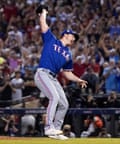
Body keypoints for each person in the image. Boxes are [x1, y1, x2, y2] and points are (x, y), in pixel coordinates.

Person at [34, 6, 87, 140]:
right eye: (72, 36)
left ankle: (56, 130)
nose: (74, 38)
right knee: (55, 98)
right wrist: (44, 13)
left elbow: (67, 74)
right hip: (42, 73)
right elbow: (43, 24)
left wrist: (78, 80)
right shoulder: (52, 40)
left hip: (52, 77)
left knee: (64, 104)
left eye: (75, 37)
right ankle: (48, 127)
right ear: (65, 35)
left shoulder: (68, 55)